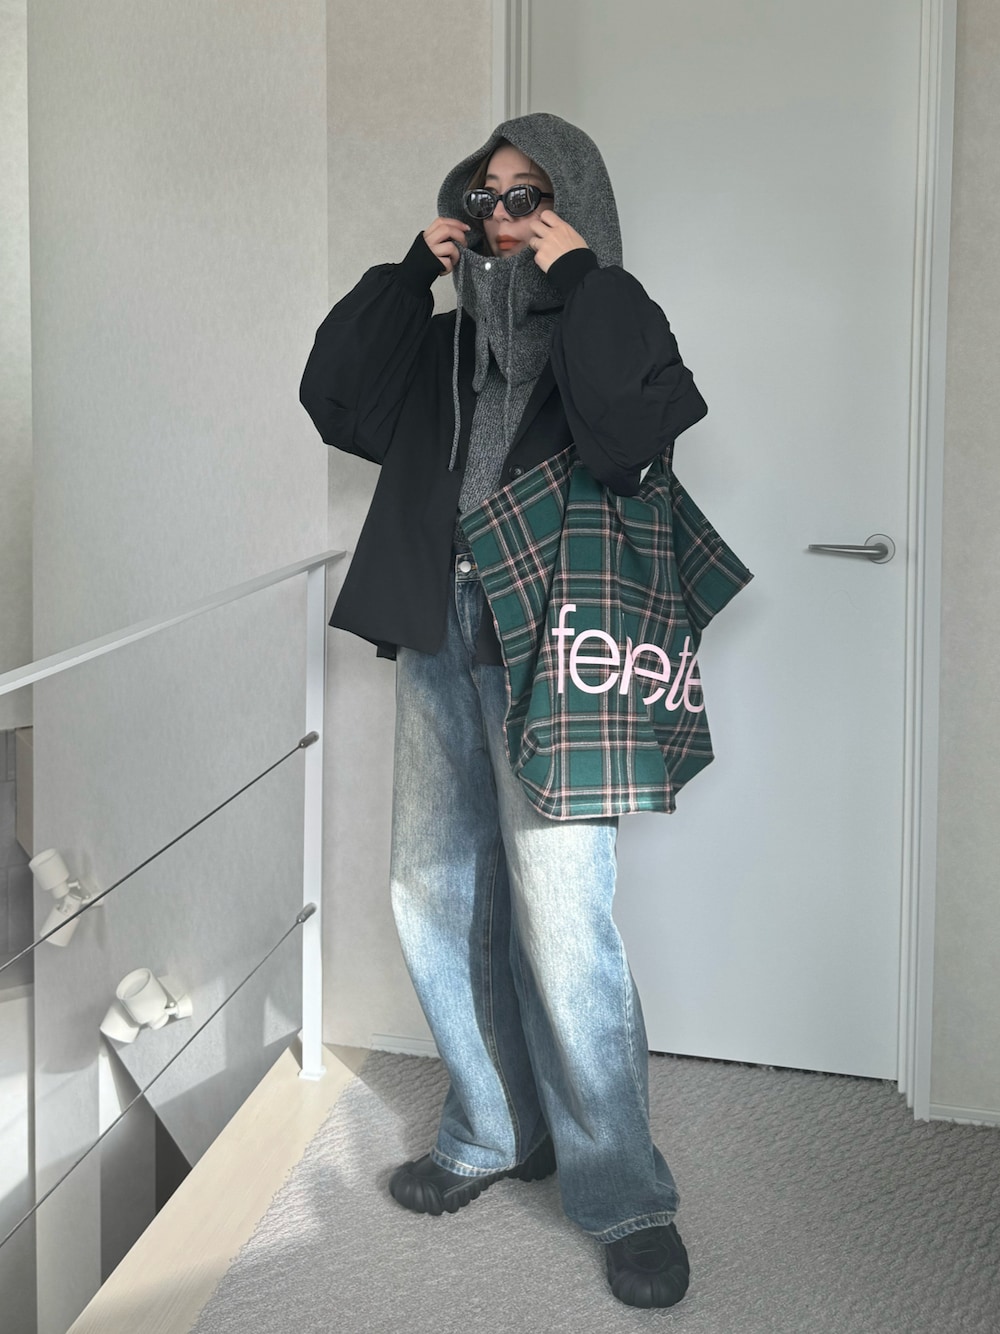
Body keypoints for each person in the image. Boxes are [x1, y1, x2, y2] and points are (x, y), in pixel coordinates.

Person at [300, 112, 708, 1310]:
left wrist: (584, 277)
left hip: (554, 644)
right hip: (440, 627)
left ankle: (624, 1193)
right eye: (488, 195)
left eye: (531, 193)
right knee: (434, 888)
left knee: (564, 917)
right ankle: (490, 1128)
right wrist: (408, 272)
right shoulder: (442, 344)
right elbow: (333, 398)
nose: (504, 213)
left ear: (572, 204)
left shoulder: (609, 321)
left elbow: (632, 438)